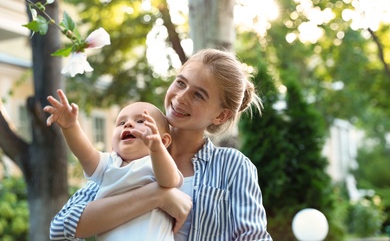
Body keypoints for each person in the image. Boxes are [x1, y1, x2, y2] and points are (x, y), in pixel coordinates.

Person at [49, 48, 273, 241]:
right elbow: (61, 228)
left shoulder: (231, 166)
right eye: (181, 83)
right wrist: (159, 195)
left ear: (221, 116)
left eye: (199, 95)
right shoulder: (130, 154)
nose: (182, 97)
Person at [44, 90, 183, 240]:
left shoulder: (156, 163)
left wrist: (157, 149)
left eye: (141, 121)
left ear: (164, 141)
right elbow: (85, 154)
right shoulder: (110, 163)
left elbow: (169, 181)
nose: (128, 124)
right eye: (121, 123)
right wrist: (70, 127)